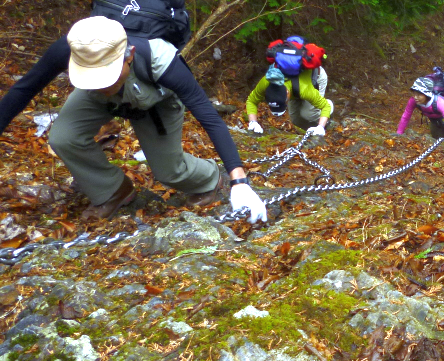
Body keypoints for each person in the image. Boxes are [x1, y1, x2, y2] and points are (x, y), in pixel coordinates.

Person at [0, 16, 267, 222]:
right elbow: (24, 89)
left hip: (155, 102)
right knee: (64, 137)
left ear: (129, 55)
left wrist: (239, 181)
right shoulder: (74, 49)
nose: (104, 84)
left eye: (109, 76)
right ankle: (112, 190)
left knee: (169, 172)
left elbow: (208, 116)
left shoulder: (162, 61)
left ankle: (210, 177)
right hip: (96, 98)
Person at [246, 64, 333, 136]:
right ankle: (313, 130)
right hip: (295, 86)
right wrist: (253, 122)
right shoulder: (266, 82)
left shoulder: (305, 89)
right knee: (295, 120)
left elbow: (326, 106)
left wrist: (320, 127)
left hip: (316, 77)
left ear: (287, 95)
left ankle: (324, 123)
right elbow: (251, 100)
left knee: (307, 114)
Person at [396, 77, 444, 147]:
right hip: (435, 119)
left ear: (426, 94)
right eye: (414, 94)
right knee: (437, 144)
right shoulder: (413, 101)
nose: (415, 97)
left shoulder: (439, 102)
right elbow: (406, 117)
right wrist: (399, 134)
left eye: (419, 95)